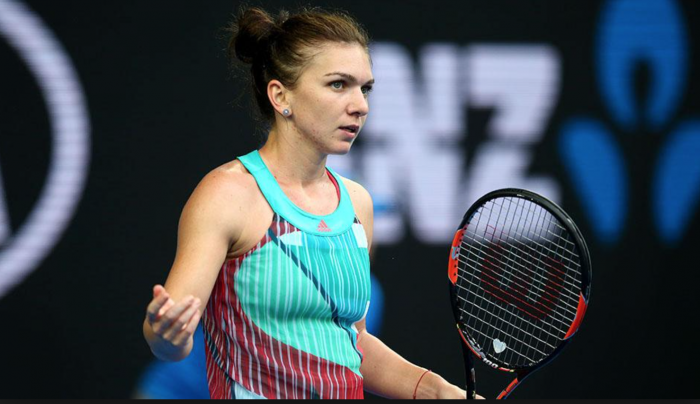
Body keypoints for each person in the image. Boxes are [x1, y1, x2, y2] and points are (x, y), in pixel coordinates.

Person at [142, 6, 477, 399]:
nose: (360, 105)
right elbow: (168, 335)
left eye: (365, 88)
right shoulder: (228, 194)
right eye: (338, 85)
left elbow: (352, 342)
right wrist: (168, 335)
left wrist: (440, 393)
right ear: (281, 95)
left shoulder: (357, 204)